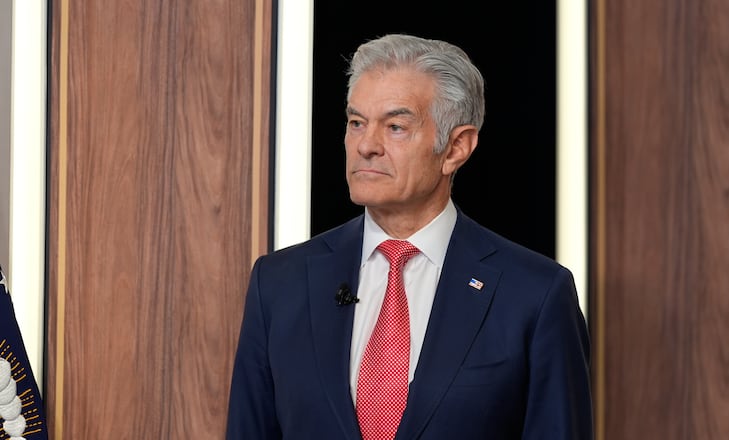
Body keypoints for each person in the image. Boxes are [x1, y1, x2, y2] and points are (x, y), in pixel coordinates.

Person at [226, 33, 593, 439]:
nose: (366, 145)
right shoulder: (279, 283)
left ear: (456, 148)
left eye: (396, 126)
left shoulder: (535, 294)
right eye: (356, 122)